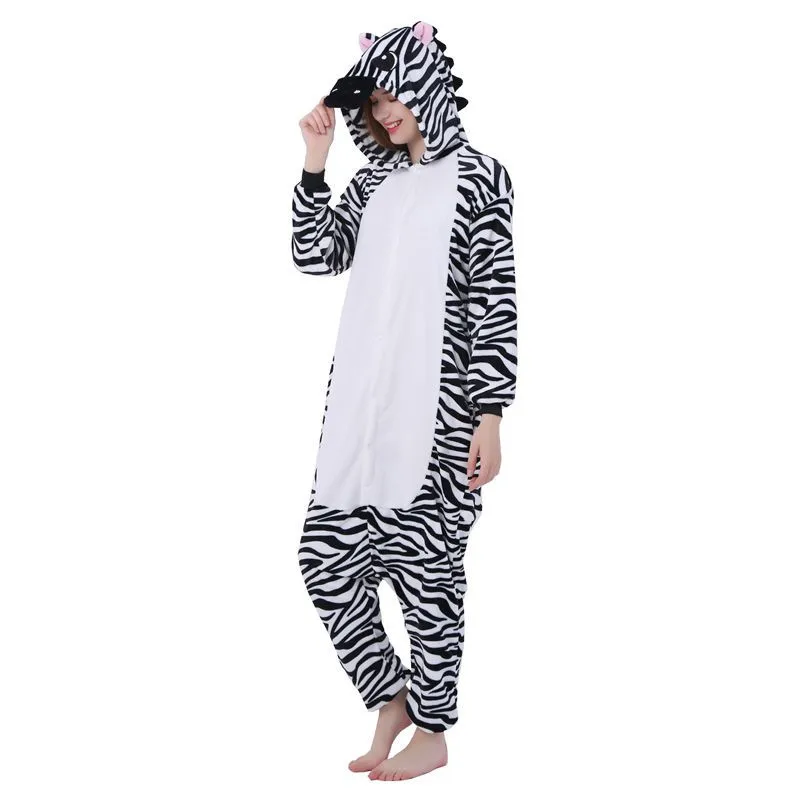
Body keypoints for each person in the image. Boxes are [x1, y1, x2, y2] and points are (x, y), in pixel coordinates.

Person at [291, 20, 517, 781]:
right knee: (323, 562)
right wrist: (316, 164)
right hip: (360, 411)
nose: (385, 113)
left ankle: (434, 730)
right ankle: (391, 697)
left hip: (440, 411)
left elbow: (493, 297)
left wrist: (490, 413)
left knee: (430, 576)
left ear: (426, 85)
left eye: (394, 96)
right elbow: (314, 255)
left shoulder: (479, 177)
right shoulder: (372, 184)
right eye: (374, 103)